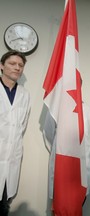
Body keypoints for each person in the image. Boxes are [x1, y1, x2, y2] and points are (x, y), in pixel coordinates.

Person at [42, 97, 90, 213]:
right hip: (62, 163)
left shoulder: (86, 109)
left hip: (81, 167)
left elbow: (87, 135)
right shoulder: (56, 107)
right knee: (60, 207)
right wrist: (59, 150)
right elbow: (48, 132)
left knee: (78, 205)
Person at [0, 50, 31, 215]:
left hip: (11, 160)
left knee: (3, 206)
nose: (17, 68)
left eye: (20, 65)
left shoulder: (25, 95)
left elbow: (22, 126)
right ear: (1, 66)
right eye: (12, 64)